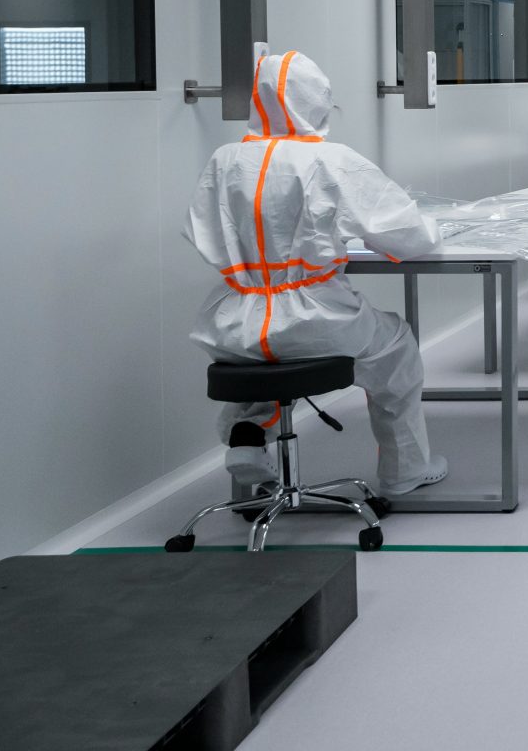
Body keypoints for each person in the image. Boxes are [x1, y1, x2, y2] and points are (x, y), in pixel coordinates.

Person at [184, 50, 449, 498]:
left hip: (234, 319)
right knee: (396, 347)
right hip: (317, 317)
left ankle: (248, 437)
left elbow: (199, 229)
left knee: (270, 356)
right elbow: (409, 236)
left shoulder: (224, 160)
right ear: (316, 102)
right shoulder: (331, 160)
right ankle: (407, 468)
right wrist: (434, 229)